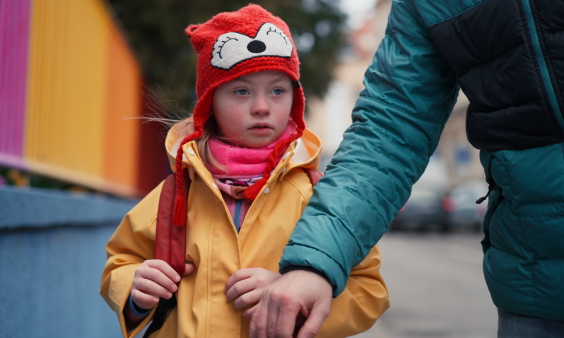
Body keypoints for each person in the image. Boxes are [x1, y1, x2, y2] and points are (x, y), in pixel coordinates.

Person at [248, 0, 564, 337]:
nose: (261, 108)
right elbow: (391, 127)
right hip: (536, 286)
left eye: (278, 91)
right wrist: (315, 261)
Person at [100, 5, 389, 338]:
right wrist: (135, 289)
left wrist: (299, 301)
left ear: (295, 100)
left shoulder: (319, 197)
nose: (262, 106)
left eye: (277, 90)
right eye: (242, 91)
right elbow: (121, 261)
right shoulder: (177, 191)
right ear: (210, 103)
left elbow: (369, 290)